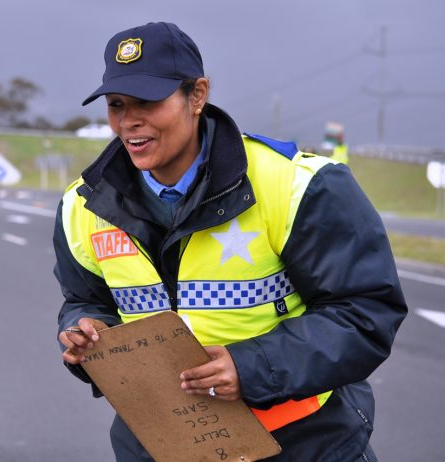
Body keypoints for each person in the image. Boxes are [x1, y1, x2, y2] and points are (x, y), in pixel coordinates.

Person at [53, 22, 407, 462]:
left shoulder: (300, 186)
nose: (128, 120)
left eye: (147, 101)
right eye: (116, 104)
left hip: (302, 443)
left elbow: (365, 312)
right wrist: (86, 330)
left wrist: (251, 367)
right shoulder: (81, 205)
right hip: (159, 444)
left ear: (197, 95)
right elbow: (83, 301)